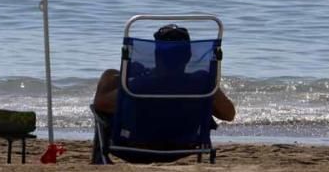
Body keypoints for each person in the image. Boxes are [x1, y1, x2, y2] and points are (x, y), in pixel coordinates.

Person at [92, 24, 236, 122]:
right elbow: (229, 114)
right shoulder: (200, 84)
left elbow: (100, 104)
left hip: (137, 144)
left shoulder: (140, 85)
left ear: (155, 54)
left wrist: (119, 77)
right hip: (185, 143)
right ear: (189, 55)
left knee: (110, 74)